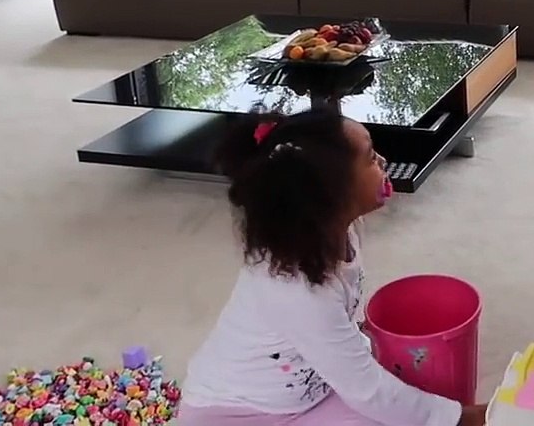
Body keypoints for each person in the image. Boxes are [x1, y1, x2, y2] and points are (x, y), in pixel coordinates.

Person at [176, 109, 489, 426]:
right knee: (404, 410)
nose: (383, 161)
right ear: (332, 192)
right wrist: (463, 417)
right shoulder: (297, 289)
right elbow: (367, 390)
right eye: (370, 157)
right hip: (235, 415)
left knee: (404, 405)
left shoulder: (338, 230)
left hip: (311, 395)